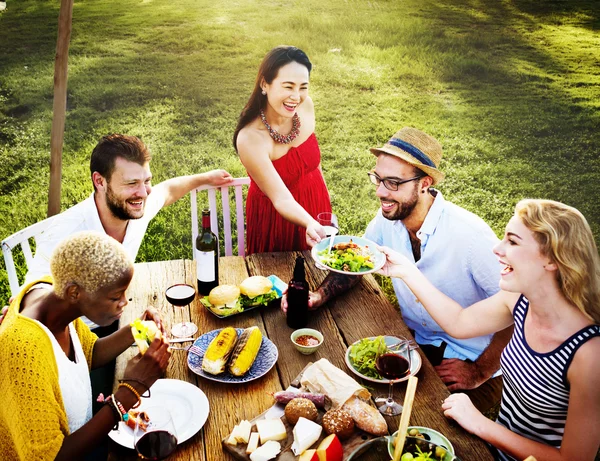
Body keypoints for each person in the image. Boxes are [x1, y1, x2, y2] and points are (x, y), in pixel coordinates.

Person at [283, 127, 512, 412]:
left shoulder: (471, 237)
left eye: (393, 183)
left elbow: (519, 311)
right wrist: (319, 296)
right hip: (412, 344)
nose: (380, 192)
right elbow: (361, 263)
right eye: (378, 179)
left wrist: (480, 371)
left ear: (424, 183)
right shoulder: (388, 218)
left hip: (472, 360)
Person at [378, 199, 600, 461]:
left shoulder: (589, 354)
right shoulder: (520, 300)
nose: (497, 248)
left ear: (552, 259)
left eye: (513, 241)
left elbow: (573, 459)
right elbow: (459, 322)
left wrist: (480, 423)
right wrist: (406, 271)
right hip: (493, 448)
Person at [0, 231, 172, 460]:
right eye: (115, 297)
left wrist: (136, 329)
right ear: (74, 292)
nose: (124, 303)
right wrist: (128, 392)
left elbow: (89, 353)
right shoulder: (22, 352)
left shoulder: (51, 294)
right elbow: (50, 457)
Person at [25, 133, 234, 300]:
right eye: (132, 183)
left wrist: (206, 177)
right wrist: (25, 305)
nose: (143, 193)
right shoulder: (66, 231)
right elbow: (33, 291)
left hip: (124, 318)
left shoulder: (134, 206)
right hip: (81, 337)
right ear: (100, 182)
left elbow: (168, 190)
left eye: (146, 181)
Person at [233, 45, 331, 254]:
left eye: (303, 87)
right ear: (264, 84)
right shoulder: (250, 139)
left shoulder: (306, 107)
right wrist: (309, 222)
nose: (296, 96)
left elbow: (314, 163)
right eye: (288, 86)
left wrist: (325, 206)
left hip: (316, 200)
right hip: (277, 218)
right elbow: (281, 199)